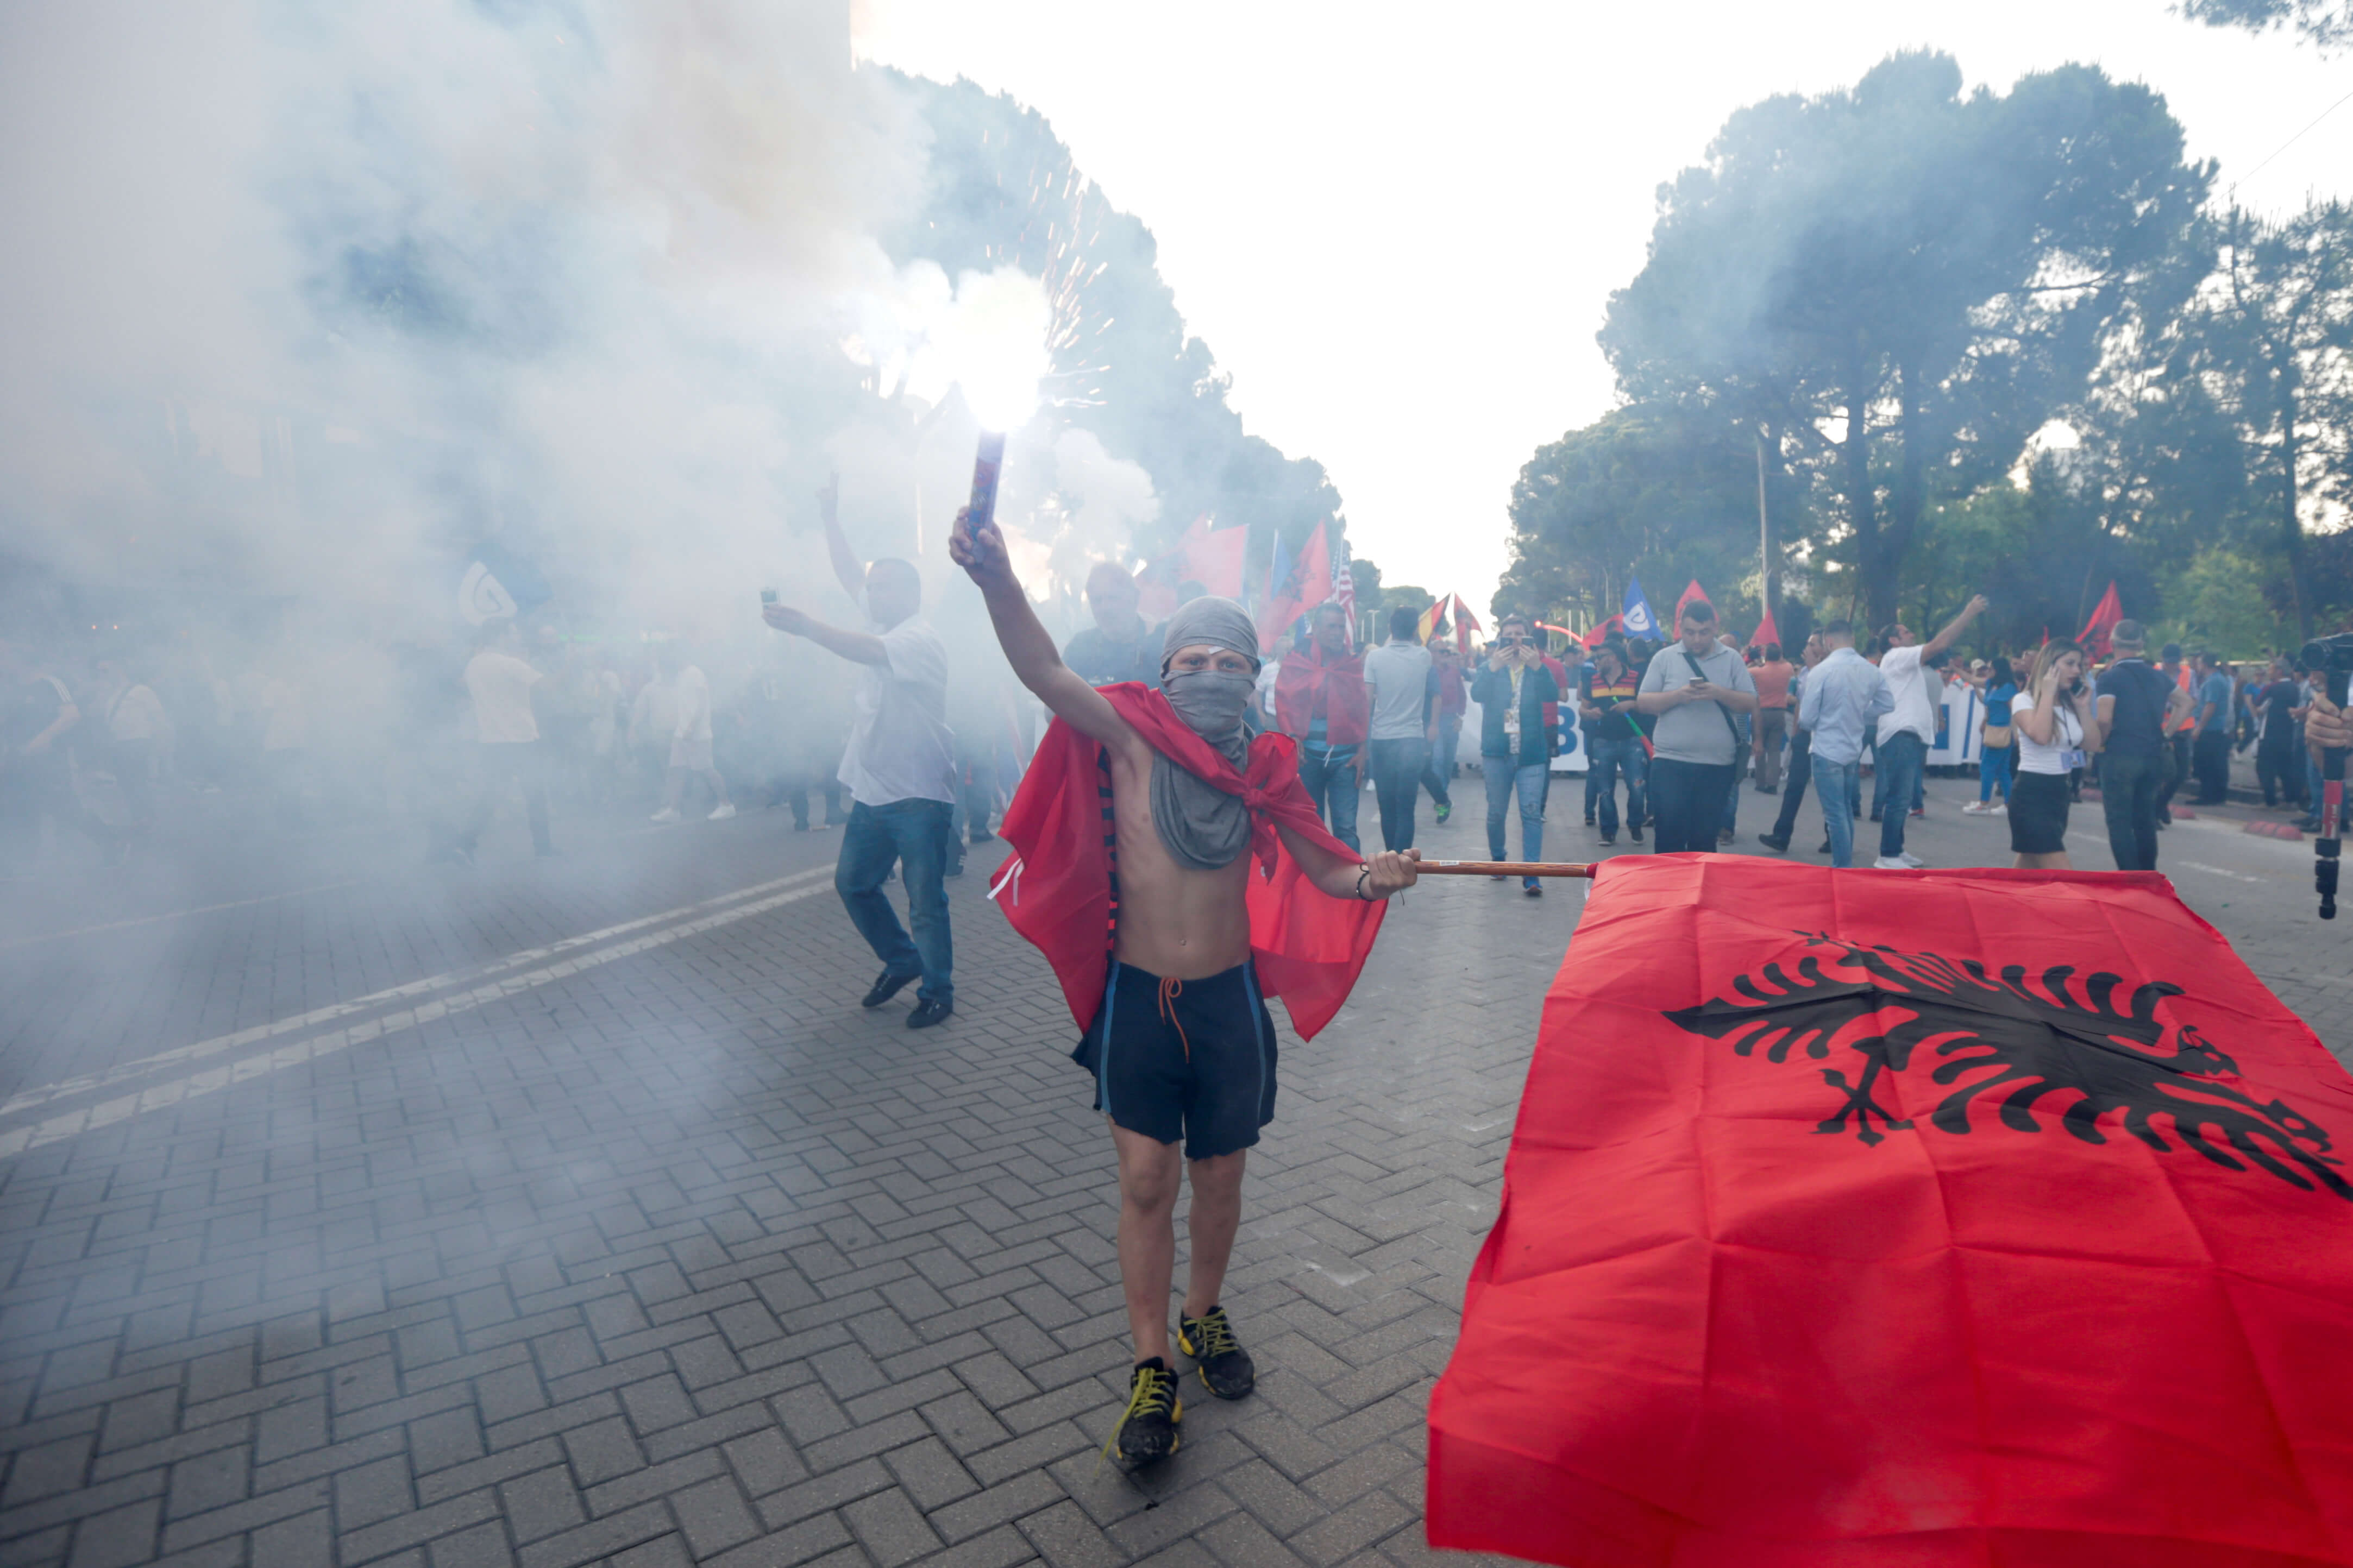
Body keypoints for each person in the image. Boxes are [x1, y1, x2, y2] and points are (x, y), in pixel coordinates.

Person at [949, 507, 1417, 1468]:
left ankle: (1203, 1315)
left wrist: (1373, 876)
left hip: (1228, 1002)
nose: (1210, 676)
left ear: (1254, 676)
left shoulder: (1268, 765)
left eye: (1228, 662)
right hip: (1139, 999)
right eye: (1191, 660)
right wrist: (999, 579)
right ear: (1166, 673)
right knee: (1145, 1177)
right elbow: (1042, 670)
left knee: (1220, 1175)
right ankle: (1151, 1359)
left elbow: (1325, 866)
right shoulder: (1131, 735)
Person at [763, 498, 959, 1029]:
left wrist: (807, 627)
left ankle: (937, 990)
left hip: (919, 794)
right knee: (853, 884)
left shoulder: (918, 638)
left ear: (912, 594)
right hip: (874, 790)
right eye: (873, 589)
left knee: (925, 901)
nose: (873, 594)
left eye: (885, 587)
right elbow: (851, 573)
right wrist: (829, 520)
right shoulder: (881, 618)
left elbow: (864, 650)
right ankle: (902, 961)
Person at [1867, 595, 1988, 866]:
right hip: (1901, 734)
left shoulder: (1903, 663)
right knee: (1899, 797)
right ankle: (1886, 855)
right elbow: (1940, 644)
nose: (1912, 634)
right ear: (1893, 641)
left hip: (1910, 734)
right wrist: (1968, 613)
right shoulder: (1897, 656)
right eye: (1906, 632)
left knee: (1903, 795)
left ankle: (1896, 850)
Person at [1633, 601, 1756, 854]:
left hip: (1717, 766)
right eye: (1690, 633)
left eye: (1704, 633)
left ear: (1715, 628)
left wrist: (1719, 693)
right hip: (1670, 763)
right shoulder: (1664, 658)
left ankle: (1700, 892)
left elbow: (1749, 703)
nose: (1697, 640)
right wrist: (1678, 696)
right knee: (1669, 838)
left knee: (1703, 840)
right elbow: (1643, 703)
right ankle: (1670, 893)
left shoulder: (1732, 659)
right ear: (1680, 628)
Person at [1472, 615, 1561, 895]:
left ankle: (1531, 873)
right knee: (1496, 813)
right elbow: (1476, 694)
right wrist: (1492, 668)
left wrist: (1538, 666)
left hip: (1531, 753)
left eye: (1520, 635)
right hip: (1497, 752)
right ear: (1500, 639)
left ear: (1528, 639)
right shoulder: (1492, 667)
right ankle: (1499, 859)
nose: (1515, 641)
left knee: (1532, 813)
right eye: (1509, 636)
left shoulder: (1537, 668)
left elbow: (1552, 694)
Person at [2092, 620, 2189, 872]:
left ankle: (2129, 879)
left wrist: (2098, 743)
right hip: (2152, 755)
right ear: (2141, 645)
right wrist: (2167, 733)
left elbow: (2104, 719)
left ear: (2113, 644)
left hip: (2120, 756)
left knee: (2119, 821)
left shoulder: (2109, 678)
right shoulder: (2159, 676)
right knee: (2145, 818)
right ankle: (2147, 876)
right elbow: (2187, 703)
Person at [1793, 621, 1890, 867]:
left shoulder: (1821, 671)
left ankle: (1843, 867)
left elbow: (1807, 719)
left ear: (1829, 642)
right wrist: (1861, 712)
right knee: (1845, 810)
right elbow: (1887, 705)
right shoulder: (1871, 671)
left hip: (1826, 748)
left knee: (1835, 813)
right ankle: (1844, 866)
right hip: (1852, 747)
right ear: (1853, 639)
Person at [1272, 603, 1367, 852]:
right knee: (1312, 829)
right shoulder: (1297, 661)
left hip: (1345, 759)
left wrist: (1363, 751)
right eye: (1331, 627)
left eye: (1340, 627)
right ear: (1316, 629)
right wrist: (1291, 735)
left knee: (1346, 829)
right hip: (1307, 759)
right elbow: (1283, 701)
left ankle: (1351, 889)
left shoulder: (1351, 663)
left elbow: (1363, 710)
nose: (1337, 633)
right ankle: (1315, 889)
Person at [458, 620, 556, 860]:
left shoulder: (473, 665)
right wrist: (568, 663)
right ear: (501, 636)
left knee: (490, 796)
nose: (518, 636)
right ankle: (543, 850)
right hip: (521, 739)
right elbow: (550, 686)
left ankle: (465, 843)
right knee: (535, 796)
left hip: (492, 741)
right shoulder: (511, 664)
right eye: (514, 632)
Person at [2012, 640, 2100, 869]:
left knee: (2029, 865)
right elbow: (2040, 736)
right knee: (2061, 870)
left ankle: (2002, 904)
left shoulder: (2071, 703)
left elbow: (2092, 745)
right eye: (2070, 663)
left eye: (2079, 665)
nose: (2077, 671)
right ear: (2049, 666)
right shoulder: (2024, 700)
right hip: (2032, 792)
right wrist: (2048, 694)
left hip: (2060, 791)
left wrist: (2083, 708)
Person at [1362, 606, 1434, 852]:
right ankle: (1403, 862)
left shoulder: (1374, 658)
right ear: (1415, 630)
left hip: (1382, 737)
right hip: (1412, 738)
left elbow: (1367, 701)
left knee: (1387, 806)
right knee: (1406, 807)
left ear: (1390, 628)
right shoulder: (1424, 656)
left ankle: (1391, 857)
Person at [88, 657, 172, 862]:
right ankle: (143, 827)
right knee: (130, 789)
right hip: (120, 747)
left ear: (119, 669)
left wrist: (161, 750)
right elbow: (92, 715)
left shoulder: (141, 691)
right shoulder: (110, 695)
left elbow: (160, 720)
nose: (102, 676)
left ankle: (148, 831)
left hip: (138, 745)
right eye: (99, 672)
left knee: (137, 788)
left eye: (105, 671)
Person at [649, 646, 736, 824]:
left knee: (706, 769)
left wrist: (691, 727)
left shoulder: (695, 673)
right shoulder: (680, 675)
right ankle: (673, 809)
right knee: (676, 770)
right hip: (682, 732)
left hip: (697, 733)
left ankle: (726, 805)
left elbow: (703, 702)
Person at [1757, 631, 1824, 853]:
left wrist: (1815, 666)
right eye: (1808, 642)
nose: (1807, 648)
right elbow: (1800, 704)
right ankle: (1781, 835)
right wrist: (1796, 732)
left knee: (1829, 790)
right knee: (1794, 787)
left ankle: (1835, 836)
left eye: (1813, 644)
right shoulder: (1804, 672)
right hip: (1804, 735)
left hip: (1825, 735)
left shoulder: (1826, 671)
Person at [1579, 641, 1646, 847]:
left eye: (1601, 657)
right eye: (1596, 658)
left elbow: (1648, 703)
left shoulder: (1636, 677)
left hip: (1632, 740)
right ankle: (1608, 830)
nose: (1597, 661)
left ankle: (1635, 825)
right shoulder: (1593, 680)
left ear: (1614, 658)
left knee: (1637, 787)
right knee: (1605, 790)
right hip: (1603, 741)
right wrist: (1589, 714)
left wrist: (1632, 704)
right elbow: (1583, 708)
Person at [1063, 561, 1163, 688]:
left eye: (1113, 598)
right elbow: (1057, 699)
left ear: (1135, 598)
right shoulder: (1079, 648)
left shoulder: (1162, 645)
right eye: (1097, 600)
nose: (1105, 608)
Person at [1419, 632, 1466, 824]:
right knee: (1437, 760)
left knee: (1448, 762)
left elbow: (1462, 696)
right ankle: (1440, 801)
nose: (1446, 654)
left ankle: (1442, 795)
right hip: (1434, 722)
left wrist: (1460, 717)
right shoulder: (1425, 672)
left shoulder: (1454, 672)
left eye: (1447, 651)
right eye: (1442, 651)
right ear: (1431, 653)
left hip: (1451, 721)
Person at [1964, 653, 2019, 816]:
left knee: (1987, 767)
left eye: (1990, 668)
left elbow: (2014, 712)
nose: (1988, 671)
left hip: (2001, 731)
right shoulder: (1993, 685)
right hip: (1995, 730)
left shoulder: (2008, 688)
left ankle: (1984, 803)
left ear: (1998, 670)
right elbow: (1985, 699)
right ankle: (2009, 804)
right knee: (2002, 770)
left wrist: (2015, 733)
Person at [2251, 656, 2305, 809]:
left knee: (2265, 768)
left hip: (2269, 734)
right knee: (2286, 768)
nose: (2269, 672)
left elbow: (2259, 704)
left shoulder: (2271, 688)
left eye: (2271, 669)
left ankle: (2270, 800)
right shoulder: (2296, 688)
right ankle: (2291, 799)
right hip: (2289, 734)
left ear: (2279, 672)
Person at [2153, 642, 2195, 825]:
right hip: (2160, 730)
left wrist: (2181, 706)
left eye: (2176, 662)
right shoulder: (2153, 673)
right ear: (2163, 660)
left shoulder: (2188, 673)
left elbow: (2194, 698)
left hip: (2183, 729)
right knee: (2160, 773)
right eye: (2169, 662)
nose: (2173, 665)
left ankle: (2161, 805)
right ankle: (2154, 811)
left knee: (2180, 773)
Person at [1749, 643, 1794, 792]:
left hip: (1760, 712)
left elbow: (1744, 672)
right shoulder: (1787, 669)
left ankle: (1760, 783)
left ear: (1766, 656)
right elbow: (1785, 663)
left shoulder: (1756, 672)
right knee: (1774, 750)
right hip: (1779, 713)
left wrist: (1756, 661)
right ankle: (1773, 784)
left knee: (1759, 746)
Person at [2191, 652, 2234, 805]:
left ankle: (2209, 795)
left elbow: (2210, 705)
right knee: (2216, 762)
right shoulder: (2217, 679)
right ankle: (2215, 795)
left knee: (2208, 763)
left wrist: (2199, 727)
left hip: (2210, 728)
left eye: (2199, 663)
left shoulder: (2213, 682)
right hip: (2216, 727)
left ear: (2205, 664)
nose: (2197, 666)